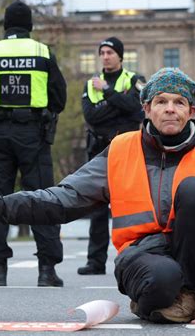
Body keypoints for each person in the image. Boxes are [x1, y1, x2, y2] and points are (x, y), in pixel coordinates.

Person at [0, 67, 195, 326]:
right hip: (142, 255)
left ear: (192, 110)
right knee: (163, 279)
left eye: (179, 102)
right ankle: (166, 297)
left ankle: (190, 296)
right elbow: (64, 198)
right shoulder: (121, 150)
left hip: (194, 256)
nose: (170, 109)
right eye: (161, 102)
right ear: (147, 109)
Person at [0, 0, 67, 287]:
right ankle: (47, 271)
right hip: (33, 135)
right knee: (42, 200)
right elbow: (59, 98)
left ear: (5, 25)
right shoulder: (42, 52)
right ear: (30, 26)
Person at [78, 37, 145, 275]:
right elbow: (92, 117)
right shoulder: (90, 84)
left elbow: (138, 112)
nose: (105, 56)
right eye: (102, 52)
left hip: (127, 150)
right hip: (98, 150)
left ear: (120, 56)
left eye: (110, 52)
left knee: (129, 207)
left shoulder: (134, 79)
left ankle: (133, 259)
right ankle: (95, 262)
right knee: (96, 207)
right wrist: (119, 103)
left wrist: (107, 92)